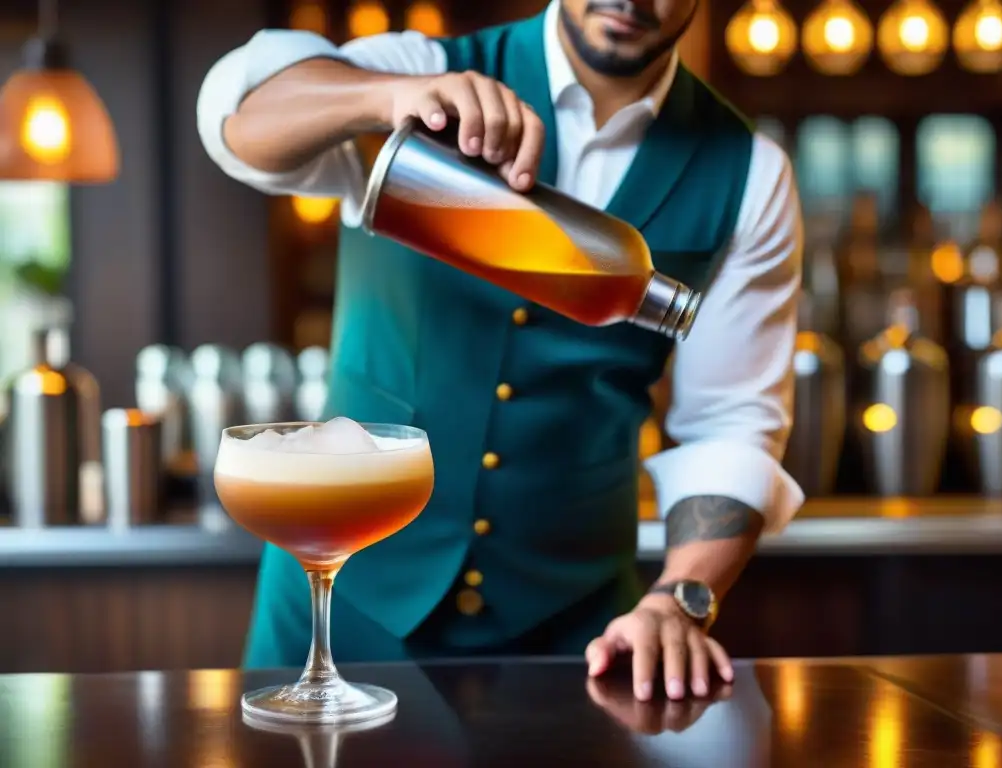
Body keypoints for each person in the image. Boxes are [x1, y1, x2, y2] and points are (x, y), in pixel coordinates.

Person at [197, 0, 805, 702]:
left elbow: (730, 425)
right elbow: (235, 117)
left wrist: (678, 599)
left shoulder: (749, 173)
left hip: (579, 636)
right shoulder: (424, 69)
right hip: (337, 609)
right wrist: (384, 97)